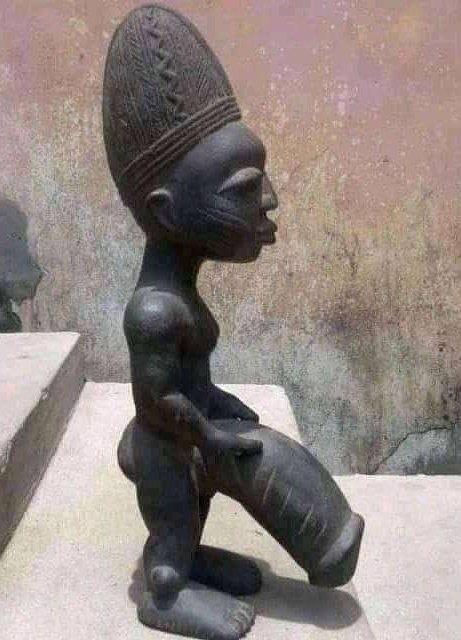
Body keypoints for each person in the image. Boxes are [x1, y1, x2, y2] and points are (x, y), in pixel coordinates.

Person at [103, 6, 364, 639]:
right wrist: (209, 436)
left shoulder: (180, 293)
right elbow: (157, 400)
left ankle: (193, 557)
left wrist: (220, 406)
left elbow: (189, 380)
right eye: (242, 189)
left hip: (191, 436)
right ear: (167, 211)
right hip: (166, 450)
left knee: (210, 499)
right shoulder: (154, 310)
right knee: (172, 529)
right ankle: (168, 589)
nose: (269, 199)